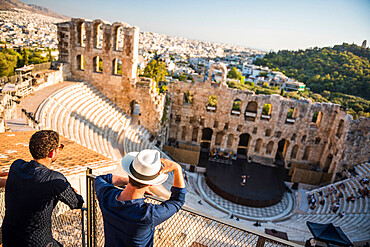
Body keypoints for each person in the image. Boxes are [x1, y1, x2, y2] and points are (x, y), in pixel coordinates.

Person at [2, 130, 84, 247]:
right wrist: (72, 192)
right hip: (37, 242)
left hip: (9, 238)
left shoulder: (16, 165)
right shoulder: (54, 179)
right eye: (59, 148)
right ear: (52, 153)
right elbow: (77, 203)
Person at [95, 149, 186, 247]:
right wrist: (177, 168)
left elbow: (100, 179)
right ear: (151, 183)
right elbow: (178, 200)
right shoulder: (148, 215)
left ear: (129, 173)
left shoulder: (106, 196)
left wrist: (127, 181)